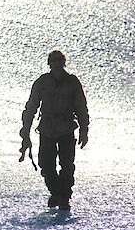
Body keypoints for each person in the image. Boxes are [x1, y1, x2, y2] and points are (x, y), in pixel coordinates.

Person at [19, 50, 89, 210]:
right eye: (53, 61)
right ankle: (56, 192)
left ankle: (65, 196)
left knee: (67, 164)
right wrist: (25, 130)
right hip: (47, 128)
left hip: (66, 127)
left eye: (59, 60)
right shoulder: (42, 82)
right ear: (49, 63)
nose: (56, 63)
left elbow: (81, 107)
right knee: (46, 163)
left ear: (63, 63)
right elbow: (31, 106)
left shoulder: (72, 82)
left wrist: (84, 130)